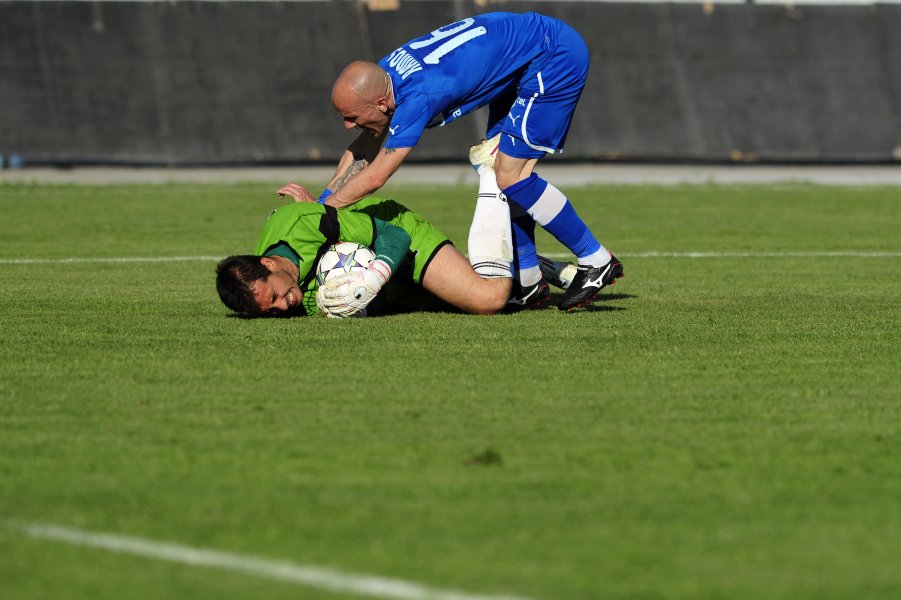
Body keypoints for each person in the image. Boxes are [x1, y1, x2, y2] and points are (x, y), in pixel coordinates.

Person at [280, 12, 623, 311]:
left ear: (382, 103)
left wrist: (322, 216)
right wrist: (323, 201)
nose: (347, 126)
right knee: (500, 170)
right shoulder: (383, 79)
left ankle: (596, 260)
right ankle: (529, 279)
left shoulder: (416, 98)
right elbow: (365, 145)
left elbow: (376, 175)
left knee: (511, 175)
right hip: (523, 57)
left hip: (552, 55)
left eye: (352, 117)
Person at [217, 167, 514, 318]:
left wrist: (375, 275)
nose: (282, 307)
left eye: (275, 297)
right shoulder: (259, 279)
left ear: (267, 264)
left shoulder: (305, 225)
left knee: (488, 300)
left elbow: (394, 235)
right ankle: (531, 269)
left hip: (397, 234)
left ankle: (490, 178)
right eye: (269, 310)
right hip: (380, 278)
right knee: (452, 304)